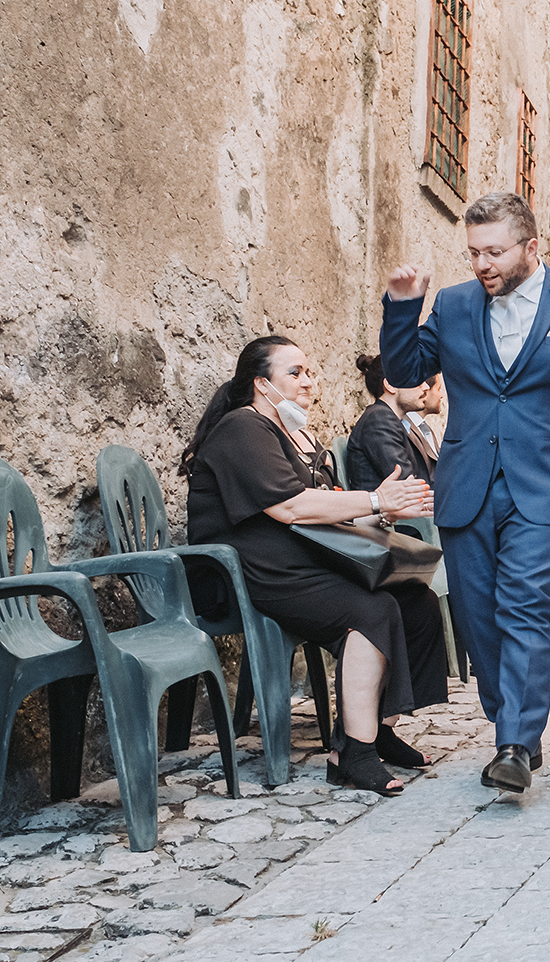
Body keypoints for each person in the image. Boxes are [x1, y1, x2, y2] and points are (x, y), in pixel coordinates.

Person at [378, 192, 550, 795]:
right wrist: (404, 307)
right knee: (479, 613)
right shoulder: (456, 305)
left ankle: (515, 740)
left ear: (531, 247)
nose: (482, 264)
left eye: (495, 251)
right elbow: (406, 372)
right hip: (468, 485)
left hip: (548, 486)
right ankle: (507, 719)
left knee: (525, 603)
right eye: (474, 253)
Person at [180, 336, 445, 796]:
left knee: (416, 601)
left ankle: (377, 729)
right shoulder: (242, 428)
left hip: (302, 564)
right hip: (252, 573)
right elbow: (288, 509)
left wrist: (384, 510)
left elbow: (332, 509)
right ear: (262, 384)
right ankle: (353, 754)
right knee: (372, 609)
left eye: (310, 372)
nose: (309, 382)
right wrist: (377, 498)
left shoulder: (295, 435)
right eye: (295, 373)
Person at [345, 353, 431, 492]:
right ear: (390, 385)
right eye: (417, 379)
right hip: (387, 513)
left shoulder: (386, 419)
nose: (426, 387)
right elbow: (407, 484)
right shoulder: (379, 419)